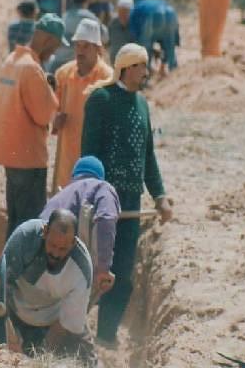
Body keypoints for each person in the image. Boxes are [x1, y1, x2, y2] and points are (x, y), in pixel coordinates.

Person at [81, 43, 172, 347]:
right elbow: (89, 153)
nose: (146, 72)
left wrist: (159, 196)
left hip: (131, 204)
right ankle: (73, 330)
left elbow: (148, 157)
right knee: (90, 268)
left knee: (122, 272)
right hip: (102, 201)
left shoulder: (143, 105)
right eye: (142, 66)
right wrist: (91, 194)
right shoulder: (101, 100)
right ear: (127, 67)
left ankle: (106, 335)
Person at [0, 14, 67, 239]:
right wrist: (52, 95)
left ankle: (9, 271)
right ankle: (22, 272)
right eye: (56, 46)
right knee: (30, 226)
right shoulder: (32, 69)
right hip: (28, 157)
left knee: (15, 218)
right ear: (48, 40)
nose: (54, 52)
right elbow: (43, 115)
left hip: (11, 154)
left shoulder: (12, 60)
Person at [0, 210, 97, 366]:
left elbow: (66, 324)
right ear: (45, 232)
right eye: (52, 245)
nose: (55, 253)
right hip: (18, 314)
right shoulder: (25, 238)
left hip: (57, 320)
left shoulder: (82, 269)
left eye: (63, 249)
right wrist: (10, 336)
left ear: (73, 244)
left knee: (86, 360)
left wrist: (42, 358)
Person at [41, 156, 120, 297]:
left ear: (74, 176)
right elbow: (106, 219)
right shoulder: (102, 187)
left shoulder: (57, 197)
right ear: (100, 177)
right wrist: (103, 268)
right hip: (73, 270)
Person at [52, 20, 113, 189]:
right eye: (78, 46)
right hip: (67, 161)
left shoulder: (107, 78)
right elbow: (52, 108)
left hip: (94, 160)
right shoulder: (63, 75)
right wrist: (54, 120)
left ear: (97, 49)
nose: (80, 51)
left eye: (86, 46)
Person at [47, 0, 101, 74]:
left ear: (72, 0)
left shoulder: (64, 17)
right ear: (86, 0)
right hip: (79, 65)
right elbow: (104, 36)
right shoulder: (90, 17)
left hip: (59, 62)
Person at [129, 0, 179, 75]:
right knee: (170, 46)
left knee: (144, 48)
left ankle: (146, 74)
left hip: (150, 15)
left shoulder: (133, 15)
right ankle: (173, 70)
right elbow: (170, 43)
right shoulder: (138, 8)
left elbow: (139, 41)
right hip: (170, 12)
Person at [107, 0, 136, 64]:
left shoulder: (136, 25)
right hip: (115, 63)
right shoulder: (113, 24)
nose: (123, 15)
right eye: (121, 11)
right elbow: (108, 42)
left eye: (126, 12)